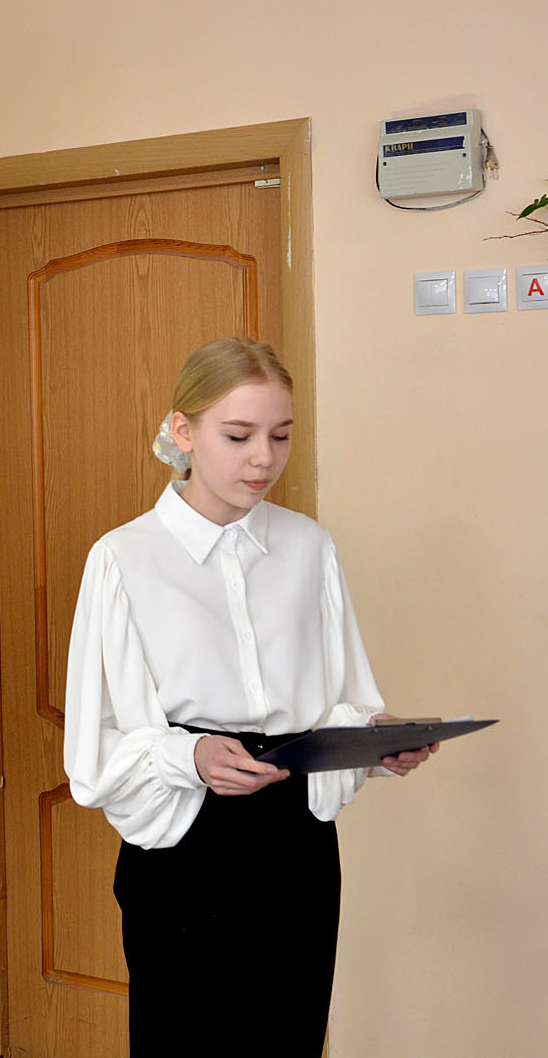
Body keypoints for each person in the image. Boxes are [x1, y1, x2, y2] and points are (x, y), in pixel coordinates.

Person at [62, 337, 434, 1056]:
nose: (264, 457)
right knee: (185, 1042)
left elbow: (342, 699)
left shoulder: (309, 547)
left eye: (281, 435)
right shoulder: (123, 559)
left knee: (289, 1036)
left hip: (297, 840)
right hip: (184, 837)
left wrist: (376, 740)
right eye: (238, 436)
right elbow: (94, 741)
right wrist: (192, 755)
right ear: (183, 431)